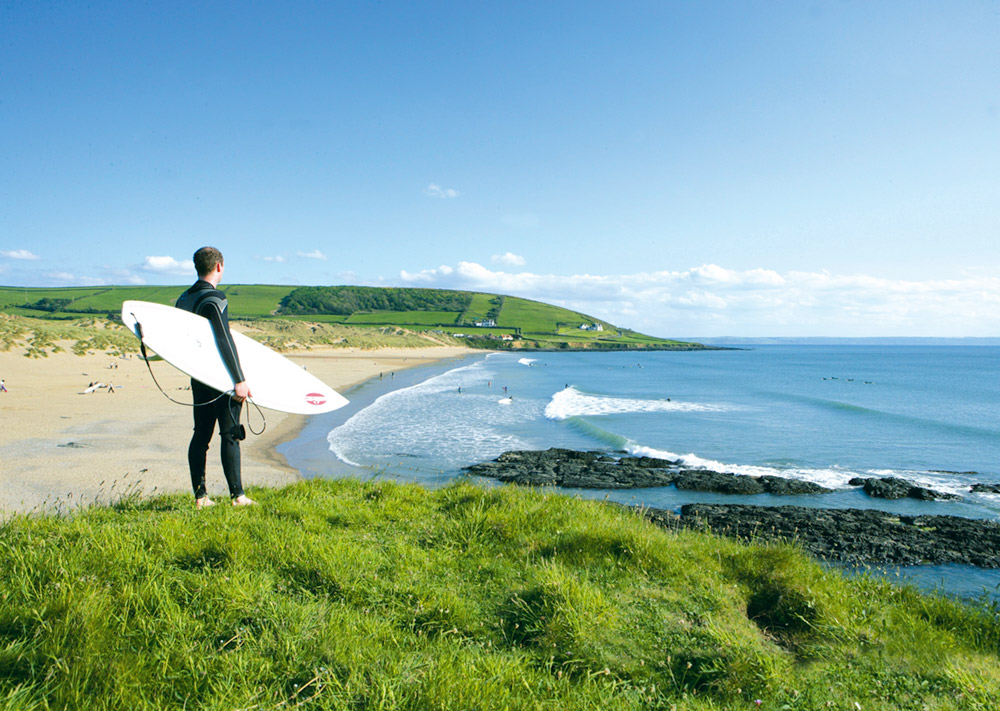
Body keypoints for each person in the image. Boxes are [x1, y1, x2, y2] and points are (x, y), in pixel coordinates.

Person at [176, 247, 255, 509]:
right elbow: (224, 338)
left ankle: (201, 497)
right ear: (219, 266)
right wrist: (239, 379)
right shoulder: (214, 298)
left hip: (199, 378)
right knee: (230, 434)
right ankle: (238, 496)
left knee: (201, 435)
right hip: (221, 378)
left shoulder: (184, 299)